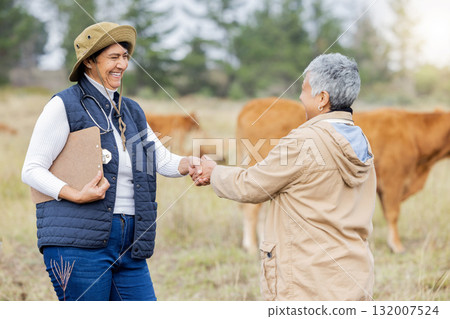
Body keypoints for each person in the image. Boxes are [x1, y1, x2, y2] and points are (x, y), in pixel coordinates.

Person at [22, 22, 200, 301]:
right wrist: (76, 195)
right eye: (114, 57)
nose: (122, 65)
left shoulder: (131, 110)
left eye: (125, 57)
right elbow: (31, 169)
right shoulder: (63, 105)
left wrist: (193, 163)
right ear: (90, 61)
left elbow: (161, 160)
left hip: (130, 244)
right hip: (77, 244)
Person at [193, 53, 376, 300]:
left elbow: (251, 186)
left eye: (304, 89)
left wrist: (214, 172)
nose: (300, 97)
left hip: (308, 281)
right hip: (354, 277)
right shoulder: (361, 141)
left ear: (322, 98)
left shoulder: (302, 142)